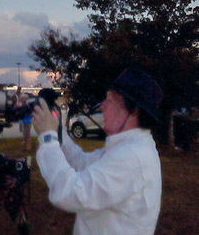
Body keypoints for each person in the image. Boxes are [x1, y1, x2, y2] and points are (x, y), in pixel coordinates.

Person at [32, 68, 164, 234]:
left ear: (133, 110)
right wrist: (58, 131)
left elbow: (70, 194)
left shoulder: (131, 157)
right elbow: (82, 162)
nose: (102, 106)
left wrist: (48, 138)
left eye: (110, 100)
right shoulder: (129, 147)